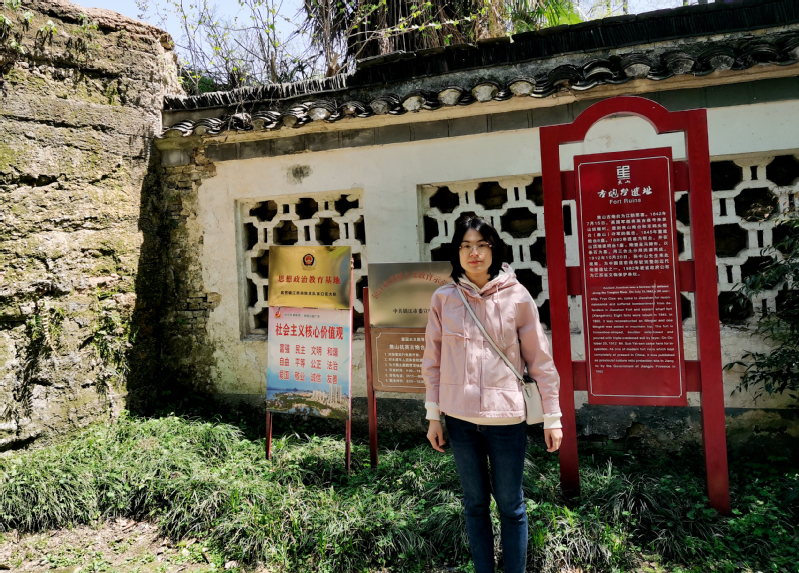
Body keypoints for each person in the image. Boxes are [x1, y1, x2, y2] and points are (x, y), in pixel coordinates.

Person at [422, 215, 563, 573]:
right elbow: (433, 362)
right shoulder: (444, 299)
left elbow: (540, 359)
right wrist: (433, 416)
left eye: (482, 245)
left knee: (511, 506)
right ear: (457, 253)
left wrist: (553, 417)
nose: (474, 253)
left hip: (506, 420)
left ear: (494, 249)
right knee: (474, 505)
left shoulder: (517, 296)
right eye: (466, 246)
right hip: (460, 420)